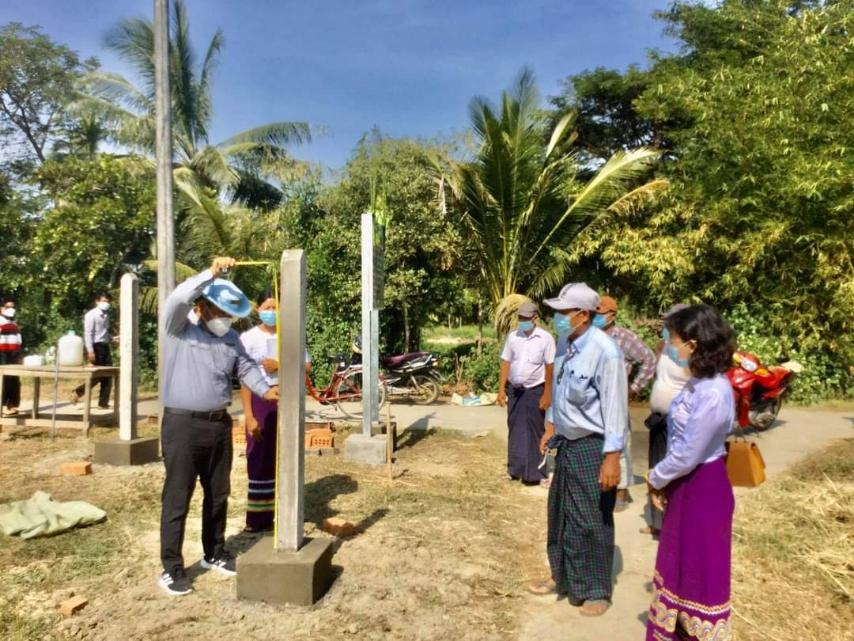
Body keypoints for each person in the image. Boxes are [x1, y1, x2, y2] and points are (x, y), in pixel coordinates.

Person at [158, 257, 278, 597]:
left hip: (217, 425)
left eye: (229, 313)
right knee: (178, 497)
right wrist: (210, 274)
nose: (225, 318)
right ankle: (171, 568)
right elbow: (177, 299)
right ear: (202, 307)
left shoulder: (231, 339)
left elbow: (247, 368)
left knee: (218, 493)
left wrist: (265, 390)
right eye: (220, 311)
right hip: (183, 425)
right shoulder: (179, 329)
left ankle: (214, 552)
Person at [528, 283, 627, 617]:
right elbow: (558, 389)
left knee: (592, 519)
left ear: (583, 315)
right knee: (560, 513)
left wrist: (612, 457)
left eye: (563, 312)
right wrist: (551, 426)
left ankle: (596, 590)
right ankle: (563, 576)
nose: (556, 318)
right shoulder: (565, 343)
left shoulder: (606, 352)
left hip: (593, 445)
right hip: (567, 443)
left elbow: (615, 408)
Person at [645, 304, 736, 641]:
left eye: (673, 340)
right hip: (686, 484)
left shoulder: (713, 392)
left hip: (703, 487)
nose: (670, 347)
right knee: (679, 562)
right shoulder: (698, 382)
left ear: (693, 345)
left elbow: (688, 452)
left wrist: (656, 477)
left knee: (700, 568)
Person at [239, 290, 312, 533]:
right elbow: (245, 379)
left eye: (276, 307)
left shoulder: (291, 335)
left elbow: (307, 367)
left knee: (287, 454)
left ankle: (287, 513)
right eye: (267, 308)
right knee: (259, 455)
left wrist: (280, 365)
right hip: (261, 400)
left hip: (288, 397)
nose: (272, 312)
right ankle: (258, 518)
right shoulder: (248, 338)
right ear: (258, 309)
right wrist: (249, 415)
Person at [593, 295, 656, 511]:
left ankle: (621, 491)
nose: (596, 318)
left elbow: (649, 360)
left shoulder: (624, 338)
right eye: (594, 313)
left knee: (620, 443)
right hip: (595, 399)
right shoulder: (589, 336)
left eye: (601, 314)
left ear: (612, 315)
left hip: (617, 397)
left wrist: (635, 388)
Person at [641, 303, 690, 537]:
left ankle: (674, 524)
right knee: (656, 467)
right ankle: (658, 522)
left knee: (675, 471)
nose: (666, 325)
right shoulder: (663, 345)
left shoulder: (692, 351)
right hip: (659, 418)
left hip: (680, 421)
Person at [497, 301, 555, 485]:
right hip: (515, 390)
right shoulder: (513, 337)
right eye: (520, 318)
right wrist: (501, 389)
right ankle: (514, 469)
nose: (522, 321)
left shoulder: (545, 339)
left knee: (535, 429)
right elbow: (506, 362)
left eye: (526, 318)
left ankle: (537, 473)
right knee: (514, 427)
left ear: (535, 318)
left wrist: (547, 393)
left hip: (535, 389)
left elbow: (550, 367)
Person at [71, 293, 114, 408]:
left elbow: (104, 332)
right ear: (97, 301)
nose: (106, 304)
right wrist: (90, 351)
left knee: (108, 374)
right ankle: (78, 392)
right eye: (104, 301)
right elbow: (88, 334)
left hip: (105, 346)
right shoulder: (91, 315)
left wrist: (112, 338)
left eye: (108, 301)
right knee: (98, 375)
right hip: (96, 347)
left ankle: (103, 402)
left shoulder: (106, 315)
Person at [0, 298, 22, 416]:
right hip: (3, 353)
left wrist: (19, 354)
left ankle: (11, 405)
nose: (11, 309)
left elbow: (18, 339)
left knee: (14, 379)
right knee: (4, 379)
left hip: (14, 353)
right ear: (1, 309)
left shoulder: (14, 322)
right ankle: (2, 405)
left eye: (13, 307)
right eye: (8, 307)